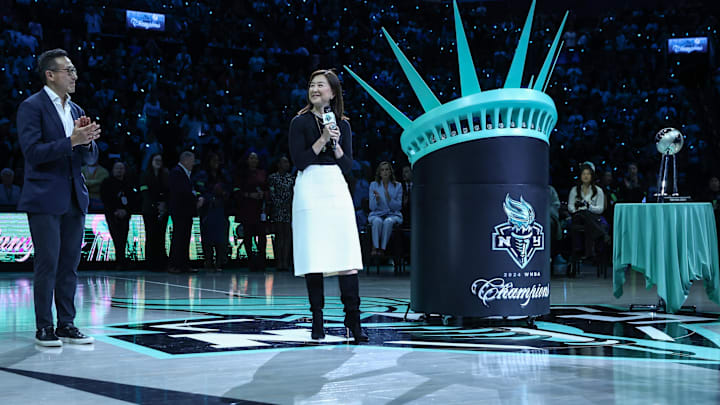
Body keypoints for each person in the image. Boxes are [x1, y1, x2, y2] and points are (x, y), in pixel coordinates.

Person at [16, 48, 100, 346]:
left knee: (69, 266)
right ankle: (44, 327)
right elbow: (33, 153)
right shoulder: (32, 107)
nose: (74, 75)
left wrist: (87, 142)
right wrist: (71, 141)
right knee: (47, 264)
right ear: (50, 75)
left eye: (74, 70)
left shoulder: (76, 111)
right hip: (44, 197)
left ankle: (67, 323)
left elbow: (89, 160)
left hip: (75, 198)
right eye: (69, 70)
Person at [289, 69, 367, 343]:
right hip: (310, 186)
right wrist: (322, 138)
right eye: (312, 85)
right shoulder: (299, 123)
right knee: (315, 256)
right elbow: (299, 161)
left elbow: (347, 166)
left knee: (346, 256)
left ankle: (353, 322)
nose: (315, 89)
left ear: (333, 92)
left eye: (321, 85)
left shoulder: (343, 125)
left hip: (335, 186)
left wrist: (335, 143)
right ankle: (317, 321)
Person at [168, 151, 203, 273]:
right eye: (192, 160)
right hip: (180, 211)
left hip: (186, 211)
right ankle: (175, 265)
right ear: (186, 160)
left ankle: (183, 264)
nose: (194, 163)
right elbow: (182, 192)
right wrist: (195, 200)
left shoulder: (184, 173)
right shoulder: (177, 173)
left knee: (184, 238)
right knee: (179, 237)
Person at [233, 152, 269, 271]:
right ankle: (250, 262)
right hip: (247, 210)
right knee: (248, 236)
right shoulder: (241, 174)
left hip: (260, 210)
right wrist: (249, 195)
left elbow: (267, 189)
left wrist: (263, 194)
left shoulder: (262, 173)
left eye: (256, 158)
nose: (254, 160)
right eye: (251, 158)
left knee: (262, 236)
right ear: (247, 160)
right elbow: (237, 192)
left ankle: (262, 261)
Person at [568, 163, 609, 260]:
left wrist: (589, 207)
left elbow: (600, 209)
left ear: (592, 176)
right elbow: (570, 206)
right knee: (581, 215)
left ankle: (583, 250)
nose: (585, 176)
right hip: (577, 216)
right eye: (583, 174)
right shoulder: (574, 190)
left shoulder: (598, 191)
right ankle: (601, 234)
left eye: (588, 174)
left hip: (593, 216)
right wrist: (577, 209)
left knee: (587, 214)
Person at [197, 152, 230, 271]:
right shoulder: (202, 174)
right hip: (208, 211)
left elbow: (229, 189)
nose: (216, 163)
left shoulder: (223, 175)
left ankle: (220, 261)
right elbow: (199, 189)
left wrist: (224, 194)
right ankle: (208, 260)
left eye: (218, 160)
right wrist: (210, 198)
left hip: (220, 211)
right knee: (207, 238)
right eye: (213, 160)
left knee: (221, 238)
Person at [100, 161, 134, 268]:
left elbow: (134, 198)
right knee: (116, 237)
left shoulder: (128, 183)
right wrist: (115, 210)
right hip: (112, 214)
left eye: (121, 168)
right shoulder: (107, 182)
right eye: (117, 168)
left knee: (124, 237)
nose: (119, 170)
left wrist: (126, 210)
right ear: (113, 170)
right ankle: (119, 261)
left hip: (125, 214)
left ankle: (122, 261)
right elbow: (105, 198)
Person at [140, 153, 169, 271]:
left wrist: (164, 204)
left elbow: (168, 191)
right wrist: (154, 205)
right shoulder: (145, 175)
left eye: (160, 160)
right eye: (156, 160)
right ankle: (151, 263)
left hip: (163, 210)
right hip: (149, 210)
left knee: (161, 236)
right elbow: (144, 192)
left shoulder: (166, 175)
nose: (158, 162)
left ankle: (161, 262)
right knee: (151, 235)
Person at [368, 161, 403, 256]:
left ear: (390, 171)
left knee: (388, 221)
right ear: (379, 173)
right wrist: (377, 200)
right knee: (377, 222)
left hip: (393, 214)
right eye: (382, 170)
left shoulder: (398, 186)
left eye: (387, 169)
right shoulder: (373, 185)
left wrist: (389, 198)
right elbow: (371, 207)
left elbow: (398, 206)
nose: (385, 172)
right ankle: (375, 247)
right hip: (377, 214)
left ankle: (382, 249)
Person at [268, 156, 294, 271]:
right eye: (284, 162)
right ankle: (278, 261)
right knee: (279, 236)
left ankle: (286, 261)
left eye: (287, 162)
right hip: (277, 209)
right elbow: (272, 193)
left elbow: (293, 193)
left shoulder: (291, 178)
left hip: (288, 209)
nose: (286, 164)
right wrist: (279, 204)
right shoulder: (273, 177)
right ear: (278, 164)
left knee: (287, 236)